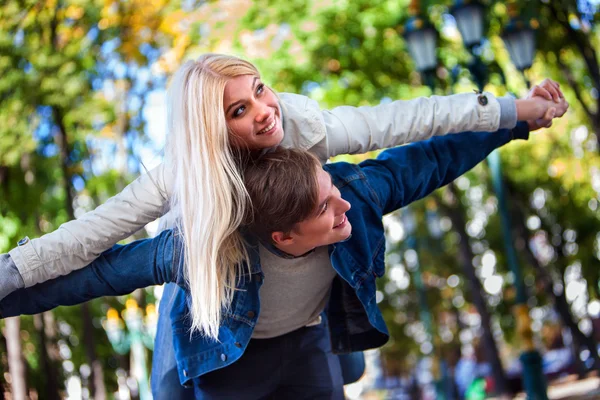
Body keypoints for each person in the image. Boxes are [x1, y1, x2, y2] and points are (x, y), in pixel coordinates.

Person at [0, 53, 566, 397]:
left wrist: (512, 114)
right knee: (174, 379)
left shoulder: (312, 138)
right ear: (212, 132)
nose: (264, 111)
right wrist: (10, 274)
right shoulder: (184, 192)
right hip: (213, 307)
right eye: (237, 110)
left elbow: (410, 127)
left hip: (302, 331)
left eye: (259, 91)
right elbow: (91, 251)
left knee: (334, 370)